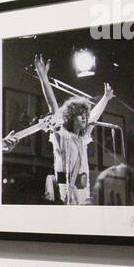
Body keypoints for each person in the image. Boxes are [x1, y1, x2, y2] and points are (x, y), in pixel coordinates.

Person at [35, 55, 113, 205]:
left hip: (83, 196)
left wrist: (105, 98)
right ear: (71, 118)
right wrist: (43, 78)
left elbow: (93, 117)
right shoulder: (61, 135)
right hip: (66, 196)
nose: (84, 118)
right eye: (80, 115)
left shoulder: (82, 139)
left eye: (85, 115)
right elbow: (53, 107)